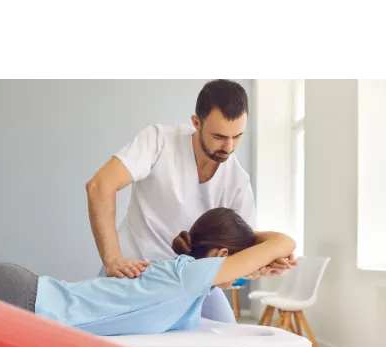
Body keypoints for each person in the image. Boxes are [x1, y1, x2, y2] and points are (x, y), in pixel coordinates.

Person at [85, 78, 296, 324]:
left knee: (226, 333)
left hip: (193, 278)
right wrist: (112, 259)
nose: (228, 147)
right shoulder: (159, 140)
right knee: (105, 339)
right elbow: (100, 185)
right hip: (134, 269)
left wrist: (262, 264)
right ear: (196, 123)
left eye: (237, 136)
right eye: (219, 136)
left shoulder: (238, 182)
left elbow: (235, 256)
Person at [0, 207, 296, 337]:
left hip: (22, 299)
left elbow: (235, 274)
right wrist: (257, 249)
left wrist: (256, 263)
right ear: (221, 255)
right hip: (15, 297)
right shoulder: (187, 277)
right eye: (238, 261)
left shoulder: (188, 286)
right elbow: (284, 241)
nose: (241, 275)